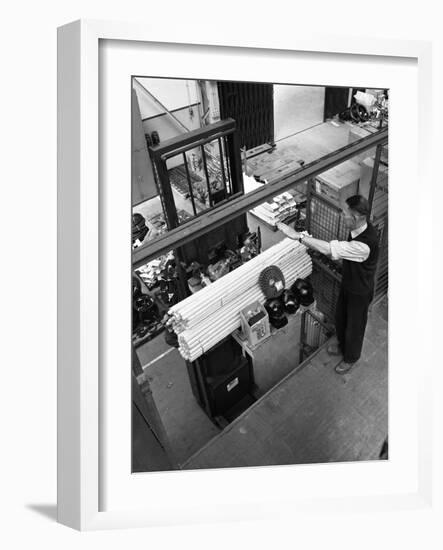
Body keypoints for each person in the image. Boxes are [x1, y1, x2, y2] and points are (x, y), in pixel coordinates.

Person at [277, 195, 379, 374]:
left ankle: (351, 357)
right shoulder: (356, 230)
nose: (342, 216)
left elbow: (329, 249)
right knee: (341, 318)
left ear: (356, 218)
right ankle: (342, 345)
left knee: (355, 326)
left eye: (345, 213)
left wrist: (298, 236)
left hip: (360, 291)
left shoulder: (365, 244)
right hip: (349, 283)